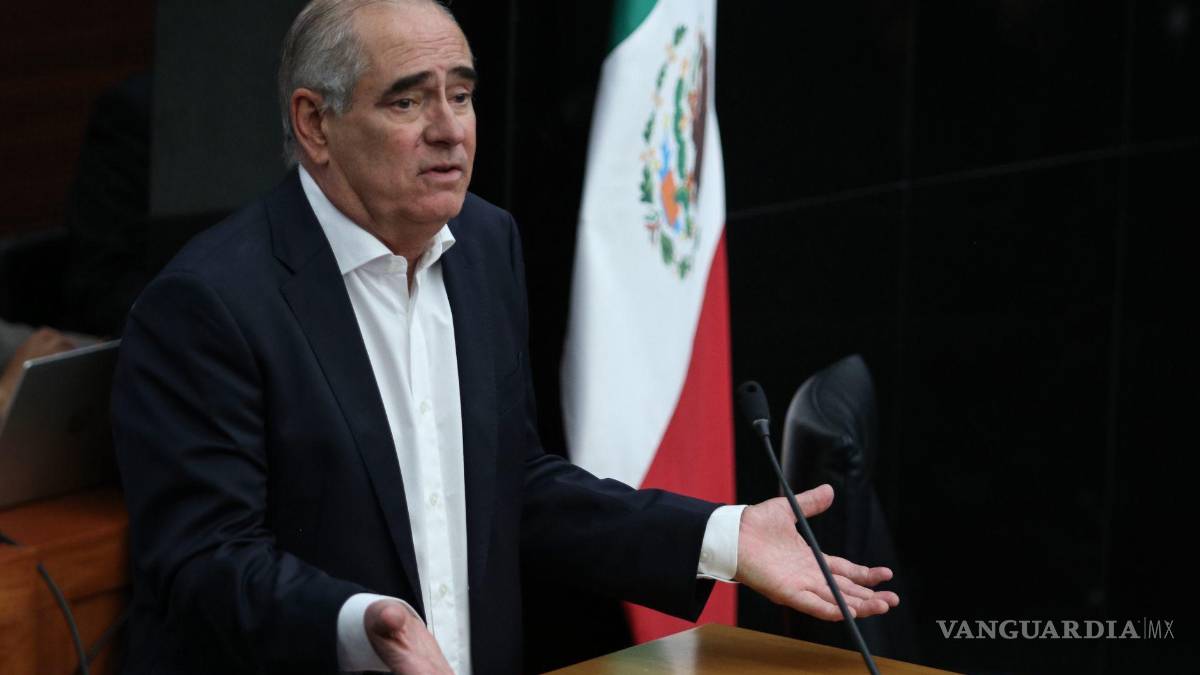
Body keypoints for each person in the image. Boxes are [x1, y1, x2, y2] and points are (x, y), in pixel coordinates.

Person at [111, 1, 899, 673]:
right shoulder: (208, 303)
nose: (450, 130)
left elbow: (512, 485)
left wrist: (718, 535)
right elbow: (201, 560)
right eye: (408, 102)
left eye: (461, 94)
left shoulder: (485, 246)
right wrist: (358, 622)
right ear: (315, 123)